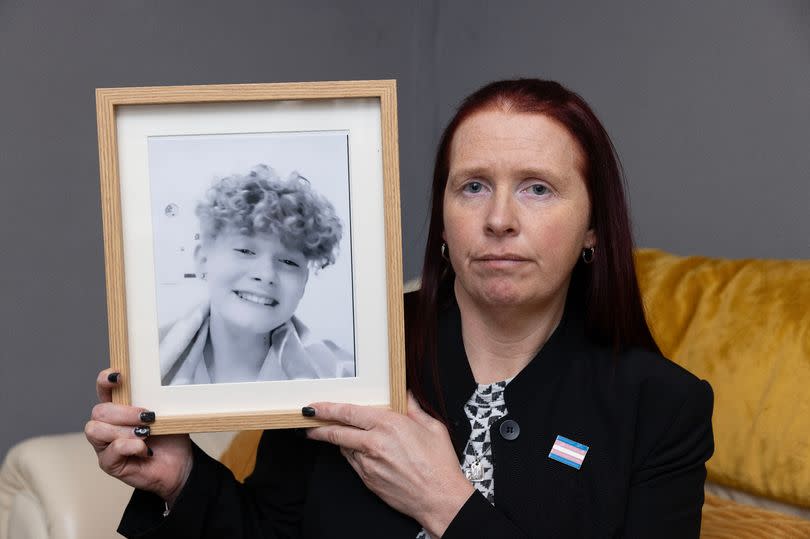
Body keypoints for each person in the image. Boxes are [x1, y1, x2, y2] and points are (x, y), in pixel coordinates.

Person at [86, 79, 714, 537]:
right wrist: (182, 479)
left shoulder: (661, 407)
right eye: (473, 186)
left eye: (538, 188)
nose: (499, 220)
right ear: (443, 219)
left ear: (593, 228)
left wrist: (445, 502)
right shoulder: (350, 354)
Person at [159, 164, 354, 385]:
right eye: (245, 251)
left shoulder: (347, 377)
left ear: (303, 283)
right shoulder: (143, 361)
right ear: (203, 260)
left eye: (289, 261)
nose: (266, 275)